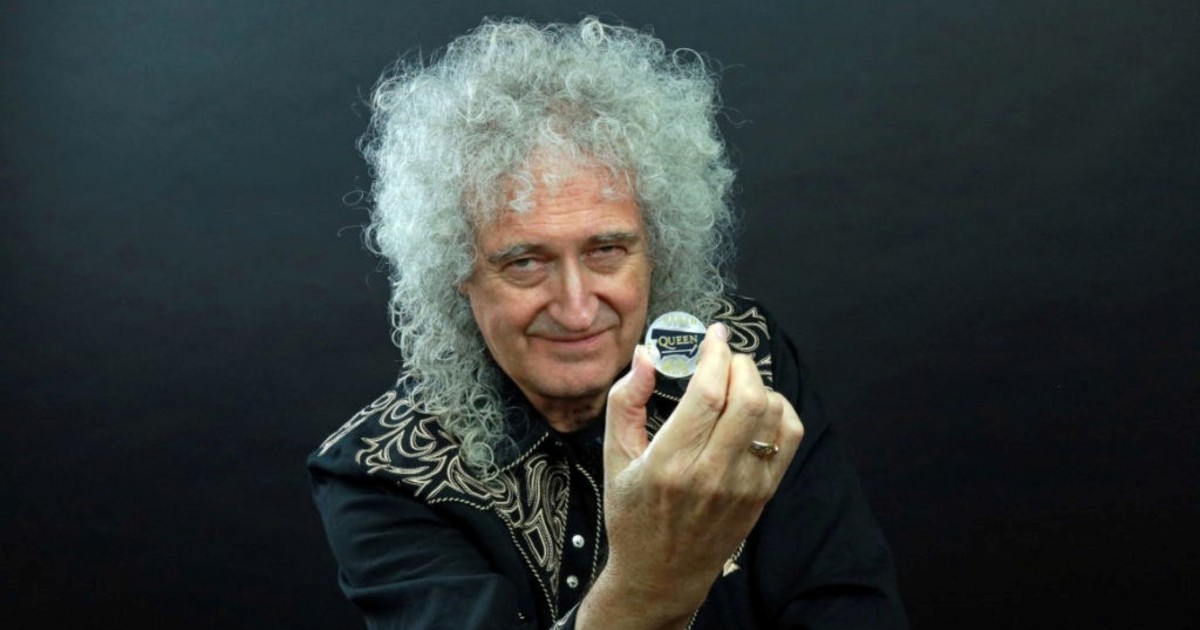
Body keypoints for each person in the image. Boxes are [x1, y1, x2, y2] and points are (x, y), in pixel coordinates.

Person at [308, 16, 908, 629]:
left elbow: (848, 607)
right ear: (456, 273)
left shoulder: (742, 360)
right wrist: (651, 578)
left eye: (607, 251)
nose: (576, 309)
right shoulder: (385, 470)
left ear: (658, 248)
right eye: (524, 262)